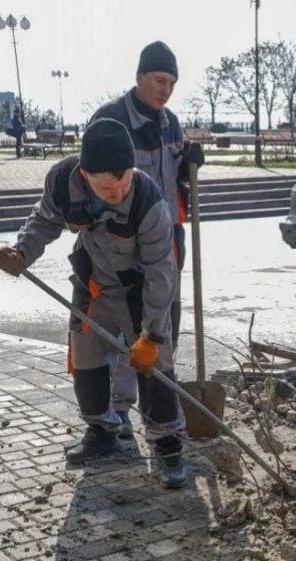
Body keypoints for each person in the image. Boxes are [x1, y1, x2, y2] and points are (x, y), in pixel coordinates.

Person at [0, 118, 187, 488]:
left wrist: (154, 334)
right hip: (93, 283)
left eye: (124, 183)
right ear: (85, 174)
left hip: (137, 290)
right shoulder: (63, 183)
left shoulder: (148, 201)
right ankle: (102, 432)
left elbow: (162, 271)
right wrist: (22, 252)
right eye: (107, 189)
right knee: (86, 357)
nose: (117, 194)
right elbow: (43, 221)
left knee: (155, 365)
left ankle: (167, 443)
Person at [90, 40, 204, 437]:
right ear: (139, 77)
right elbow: (95, 182)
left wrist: (188, 160)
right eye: (159, 80)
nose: (166, 89)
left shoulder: (170, 122)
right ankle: (119, 408)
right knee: (124, 329)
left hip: (166, 237)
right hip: (119, 243)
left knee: (160, 327)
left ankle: (161, 418)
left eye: (172, 82)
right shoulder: (110, 121)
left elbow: (173, 180)